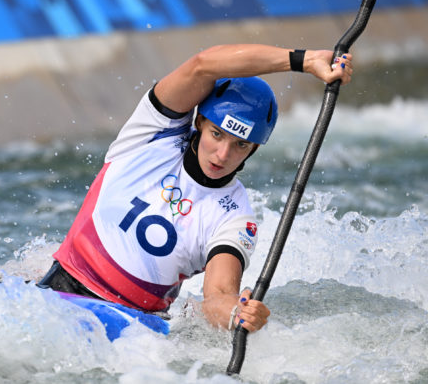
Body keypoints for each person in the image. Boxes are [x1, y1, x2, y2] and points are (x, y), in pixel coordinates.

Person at [38, 44, 353, 333]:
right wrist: (305, 60)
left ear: (254, 149)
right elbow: (204, 65)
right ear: (200, 122)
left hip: (131, 328)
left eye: (240, 145)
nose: (223, 155)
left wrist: (237, 313)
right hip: (59, 287)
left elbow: (217, 296)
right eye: (217, 134)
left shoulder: (235, 218)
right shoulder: (152, 132)